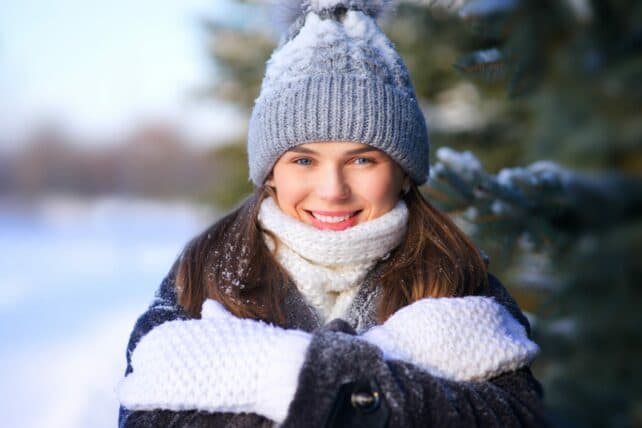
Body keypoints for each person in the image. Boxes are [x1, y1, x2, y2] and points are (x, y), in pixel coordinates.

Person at [117, 1, 548, 426]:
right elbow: (142, 416)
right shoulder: (206, 272)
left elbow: (518, 416)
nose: (332, 191)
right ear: (270, 174)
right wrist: (353, 381)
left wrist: (325, 384)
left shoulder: (457, 276)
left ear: (403, 174)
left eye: (362, 161)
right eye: (303, 161)